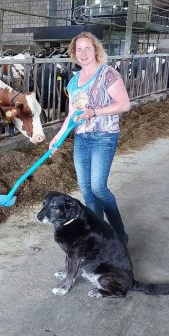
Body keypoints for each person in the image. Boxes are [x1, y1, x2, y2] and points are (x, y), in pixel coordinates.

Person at [49, 32, 131, 245]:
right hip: (81, 138)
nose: (83, 53)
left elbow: (124, 104)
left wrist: (95, 112)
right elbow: (71, 115)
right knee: (86, 188)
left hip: (104, 136)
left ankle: (119, 235)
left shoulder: (108, 74)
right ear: (74, 53)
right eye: (79, 49)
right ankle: (99, 236)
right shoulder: (74, 81)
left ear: (96, 50)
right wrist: (57, 138)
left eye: (87, 48)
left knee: (98, 187)